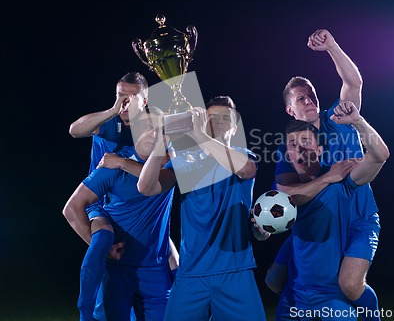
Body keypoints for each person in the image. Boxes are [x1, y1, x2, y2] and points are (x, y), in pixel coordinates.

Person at [275, 29, 382, 320]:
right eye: (300, 99)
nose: (309, 100)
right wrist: (328, 178)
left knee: (349, 285)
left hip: (358, 220)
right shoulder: (289, 148)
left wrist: (332, 46)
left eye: (311, 96)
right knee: (278, 282)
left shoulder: (340, 117)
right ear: (290, 109)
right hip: (320, 228)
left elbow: (354, 82)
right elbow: (284, 196)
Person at [138, 96, 268, 321]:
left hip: (234, 271)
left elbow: (246, 170)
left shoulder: (241, 155)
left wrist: (200, 135)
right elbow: (146, 187)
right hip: (191, 273)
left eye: (224, 119)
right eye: (211, 118)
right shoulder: (184, 160)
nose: (217, 123)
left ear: (234, 128)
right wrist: (161, 141)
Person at [63, 107, 177, 320]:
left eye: (158, 129)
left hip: (154, 270)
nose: (152, 133)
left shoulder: (171, 164)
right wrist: (101, 247)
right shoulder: (110, 166)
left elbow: (150, 183)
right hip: (118, 269)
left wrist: (123, 163)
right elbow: (71, 208)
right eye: (146, 127)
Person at [276, 106, 389, 320]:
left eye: (306, 142)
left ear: (319, 150)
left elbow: (379, 155)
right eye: (293, 145)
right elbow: (270, 221)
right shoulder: (283, 190)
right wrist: (258, 229)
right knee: (273, 280)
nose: (300, 149)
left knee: (351, 285)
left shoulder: (340, 178)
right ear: (287, 154)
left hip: (330, 296)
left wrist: (358, 122)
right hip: (297, 294)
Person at [68, 72, 149, 321]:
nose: (125, 102)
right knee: (102, 238)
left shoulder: (151, 130)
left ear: (145, 100)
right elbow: (74, 130)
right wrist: (112, 109)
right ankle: (86, 315)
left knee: (172, 259)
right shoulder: (110, 125)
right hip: (102, 204)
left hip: (140, 211)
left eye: (132, 97)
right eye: (120, 96)